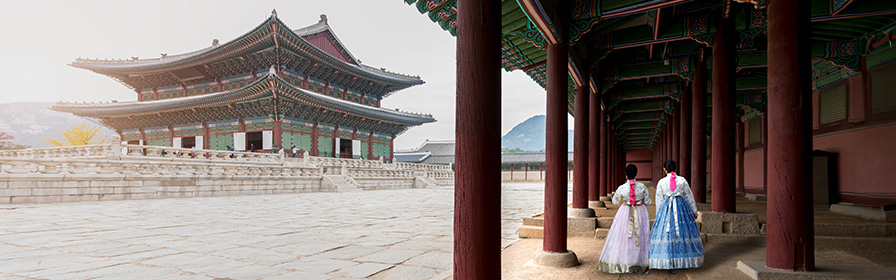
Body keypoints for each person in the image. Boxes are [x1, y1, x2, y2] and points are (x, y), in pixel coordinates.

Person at [649, 160, 703, 274]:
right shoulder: (682, 180)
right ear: (675, 169)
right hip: (681, 209)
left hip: (666, 209)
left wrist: (659, 215)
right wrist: (694, 211)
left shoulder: (661, 182)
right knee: (683, 233)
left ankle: (670, 262)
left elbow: (659, 199)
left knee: (668, 235)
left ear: (665, 170)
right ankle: (683, 260)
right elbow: (689, 196)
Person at [598, 164, 651, 274]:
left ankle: (623, 261)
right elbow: (648, 201)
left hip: (625, 211)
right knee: (640, 235)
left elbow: (615, 202)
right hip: (640, 211)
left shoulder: (622, 187)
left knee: (624, 235)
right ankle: (640, 262)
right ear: (636, 173)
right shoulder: (642, 187)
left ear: (625, 174)